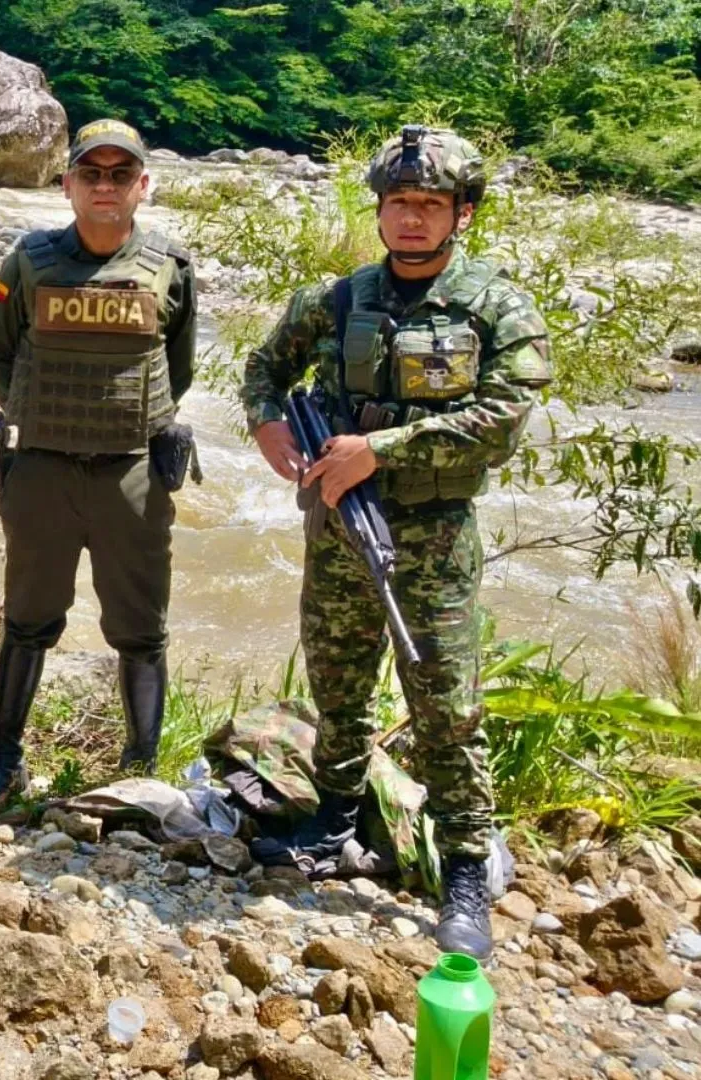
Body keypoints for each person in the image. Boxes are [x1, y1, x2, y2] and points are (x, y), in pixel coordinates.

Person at [239, 126, 551, 959]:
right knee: (338, 688)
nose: (412, 219)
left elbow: (502, 419)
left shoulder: (495, 306)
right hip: (339, 527)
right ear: (380, 211)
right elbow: (263, 367)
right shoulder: (337, 300)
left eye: (430, 205)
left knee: (447, 707)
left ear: (463, 214)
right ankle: (333, 823)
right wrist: (269, 425)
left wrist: (380, 449)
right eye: (399, 204)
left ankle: (465, 870)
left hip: (434, 537)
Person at [0, 119, 199, 817]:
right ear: (67, 184)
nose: (105, 186)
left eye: (119, 174)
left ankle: (139, 771)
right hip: (41, 471)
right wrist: (42, 415)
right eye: (90, 174)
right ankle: (5, 763)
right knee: (28, 621)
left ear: (142, 186)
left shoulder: (170, 268)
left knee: (139, 628)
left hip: (133, 473)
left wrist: (122, 424)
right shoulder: (29, 263)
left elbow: (177, 369)